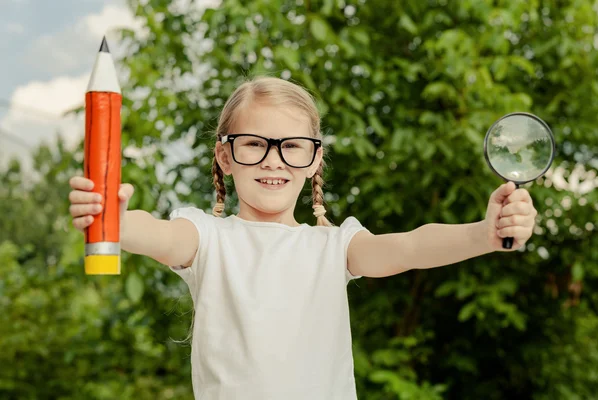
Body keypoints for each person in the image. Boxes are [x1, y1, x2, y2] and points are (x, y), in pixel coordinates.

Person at [68, 76, 538, 399]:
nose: (273, 161)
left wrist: (485, 232)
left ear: (314, 160)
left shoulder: (333, 246)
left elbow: (410, 245)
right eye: (254, 144)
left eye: (292, 146)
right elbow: (155, 233)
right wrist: (115, 220)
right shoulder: (207, 238)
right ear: (225, 157)